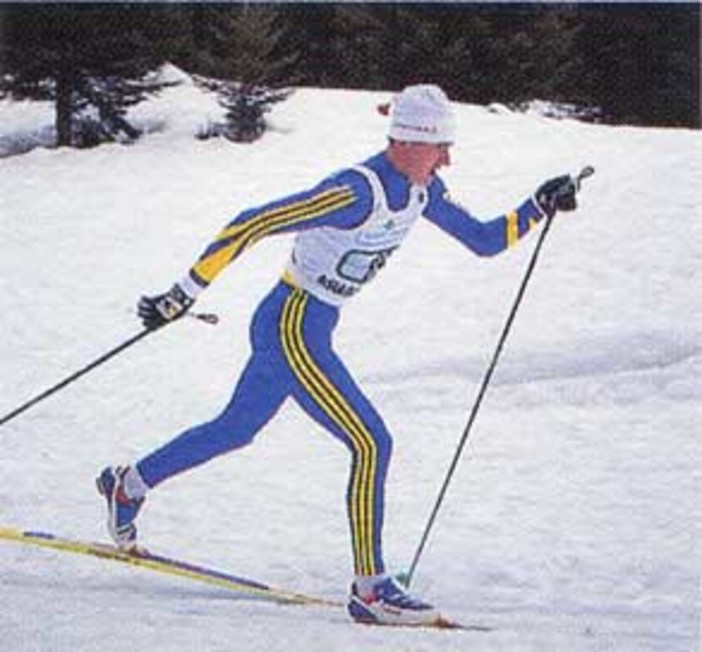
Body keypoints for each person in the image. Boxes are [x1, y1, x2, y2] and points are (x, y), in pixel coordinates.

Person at [97, 84, 580, 626]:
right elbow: (251, 222)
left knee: (234, 429)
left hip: (311, 325)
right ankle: (371, 588)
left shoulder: (423, 190)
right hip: (291, 324)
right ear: (408, 140)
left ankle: (128, 483)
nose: (447, 157)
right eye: (439, 145)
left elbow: (485, 240)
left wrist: (539, 204)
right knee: (371, 441)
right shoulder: (358, 191)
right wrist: (181, 294)